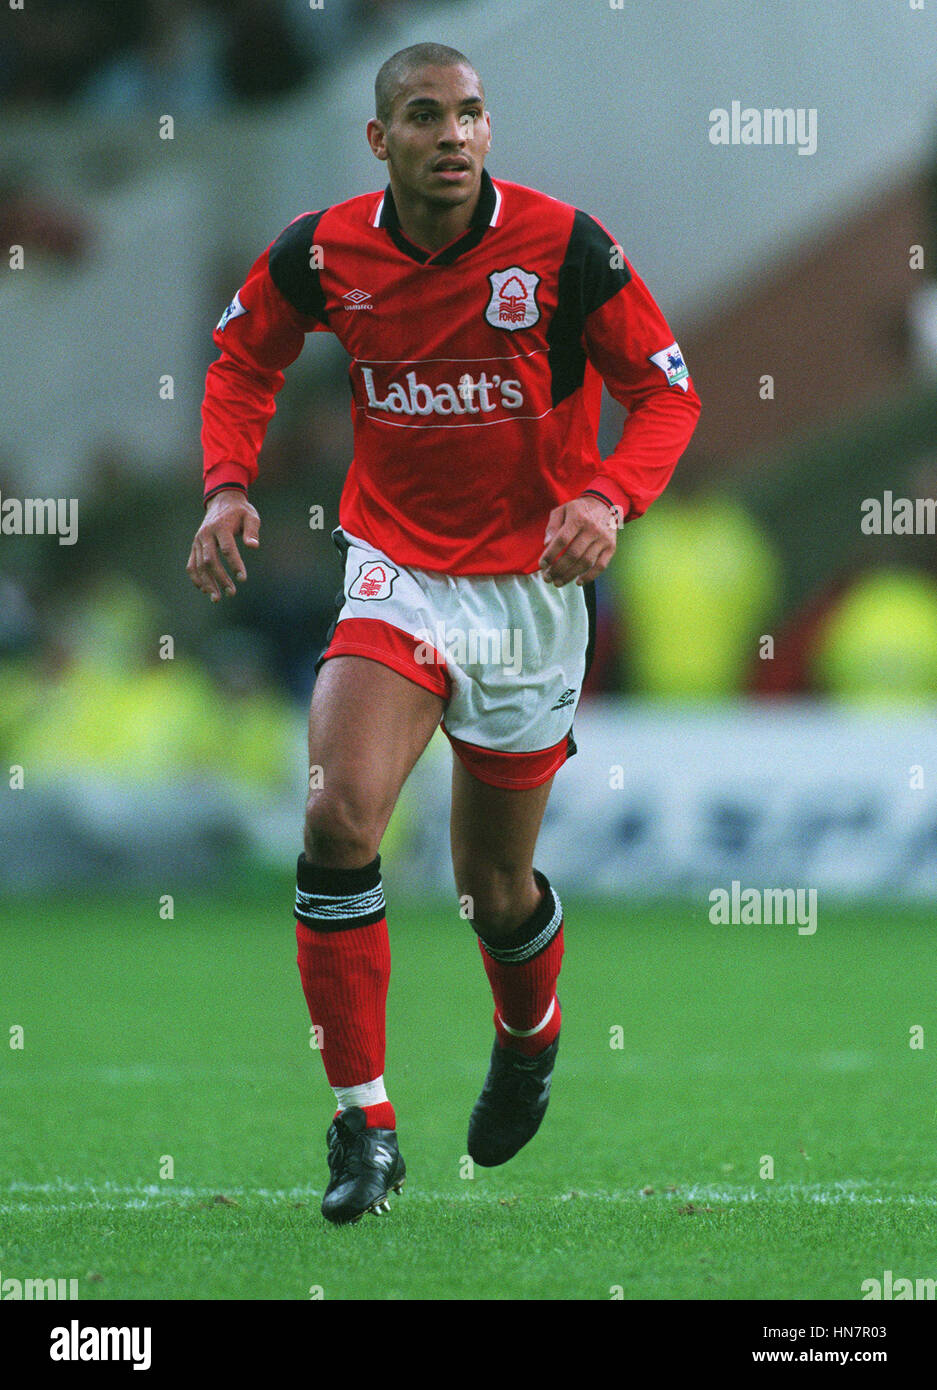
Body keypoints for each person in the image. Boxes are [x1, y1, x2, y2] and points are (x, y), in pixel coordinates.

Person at [187, 42, 700, 1224]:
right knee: (337, 813)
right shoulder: (325, 251)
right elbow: (241, 356)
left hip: (528, 596)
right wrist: (226, 485)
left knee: (493, 886)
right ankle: (363, 1121)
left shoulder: (566, 247)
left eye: (470, 114)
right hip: (398, 574)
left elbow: (669, 391)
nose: (455, 135)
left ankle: (528, 1034)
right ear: (381, 141)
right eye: (426, 116)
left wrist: (607, 496)